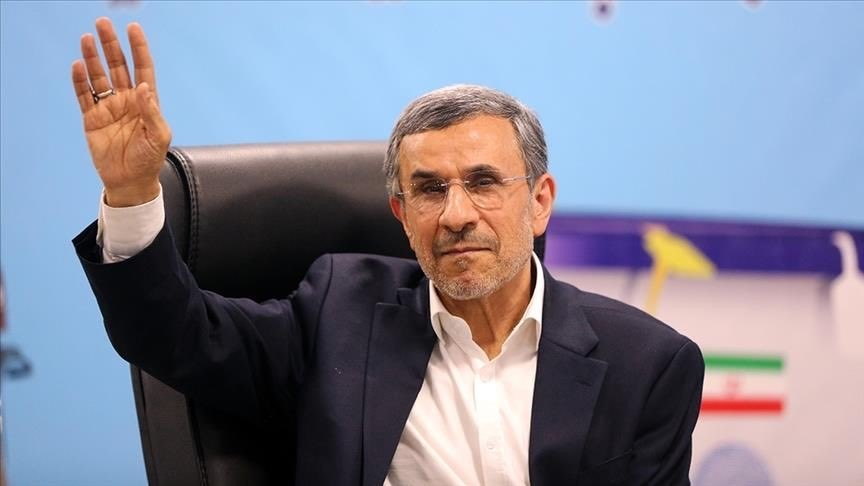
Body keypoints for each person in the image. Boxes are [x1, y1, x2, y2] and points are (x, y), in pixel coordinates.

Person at [72, 17, 704, 485]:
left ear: (539, 202)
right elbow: (173, 335)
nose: (456, 215)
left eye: (483, 182)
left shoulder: (646, 362)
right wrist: (131, 193)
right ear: (402, 216)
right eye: (429, 190)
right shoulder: (339, 315)